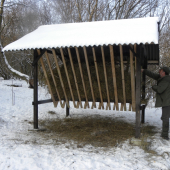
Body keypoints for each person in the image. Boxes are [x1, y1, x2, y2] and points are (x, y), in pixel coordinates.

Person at [142, 67, 170, 140]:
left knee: (165, 118)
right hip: (166, 101)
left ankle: (165, 135)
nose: (159, 72)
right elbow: (153, 75)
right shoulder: (162, 78)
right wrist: (144, 70)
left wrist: (154, 86)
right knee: (165, 117)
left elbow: (160, 89)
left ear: (164, 72)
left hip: (167, 102)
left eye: (160, 71)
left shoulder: (166, 80)